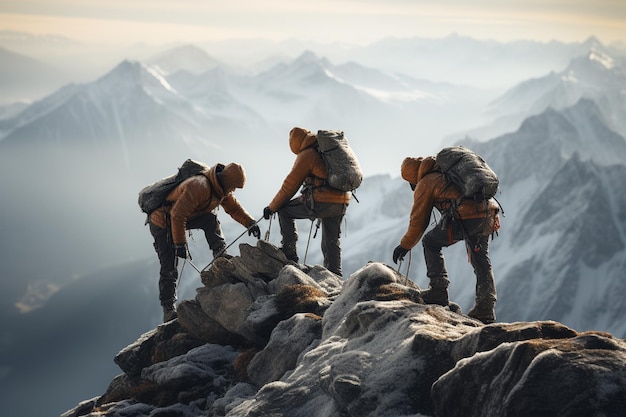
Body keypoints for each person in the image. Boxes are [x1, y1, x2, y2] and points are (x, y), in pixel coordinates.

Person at [392, 156, 500, 324]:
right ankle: (485, 308)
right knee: (481, 260)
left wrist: (404, 245)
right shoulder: (447, 173)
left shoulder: (426, 182)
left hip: (467, 215)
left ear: (412, 177)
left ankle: (439, 289)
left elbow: (418, 221)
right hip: (488, 212)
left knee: (430, 242)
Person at [148, 162, 260, 322]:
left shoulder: (220, 189)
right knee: (169, 267)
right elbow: (177, 215)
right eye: (234, 187)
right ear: (228, 182)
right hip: (162, 222)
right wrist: (180, 243)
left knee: (210, 219)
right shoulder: (199, 186)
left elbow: (233, 208)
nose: (233, 191)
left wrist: (249, 223)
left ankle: (220, 255)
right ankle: (168, 309)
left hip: (182, 217)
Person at [263, 127, 350, 277]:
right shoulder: (325, 151)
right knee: (332, 238)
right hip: (342, 200)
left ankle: (290, 251)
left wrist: (272, 207)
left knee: (284, 210)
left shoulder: (307, 155)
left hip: (322, 200)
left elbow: (289, 186)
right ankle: (335, 274)